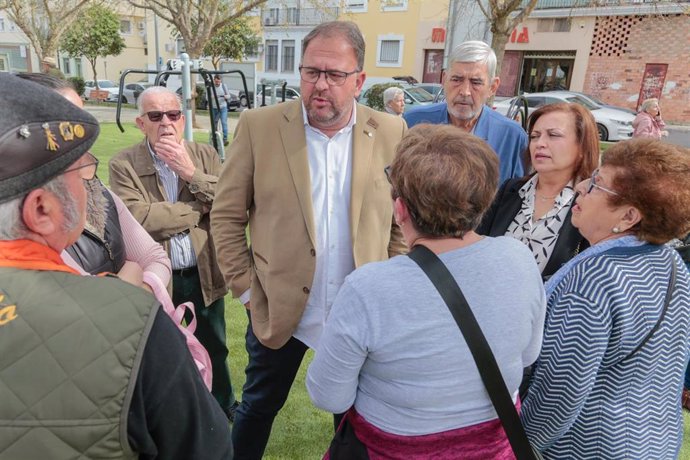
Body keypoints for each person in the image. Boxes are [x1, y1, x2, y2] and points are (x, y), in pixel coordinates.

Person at [0, 73, 232, 459]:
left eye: (174, 114)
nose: (91, 182)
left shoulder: (198, 155)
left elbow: (221, 206)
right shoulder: (132, 322)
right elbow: (208, 448)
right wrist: (122, 291)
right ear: (41, 209)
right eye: (81, 169)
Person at [210, 20, 407, 460]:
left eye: (334, 75)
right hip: (278, 308)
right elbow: (225, 215)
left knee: (356, 421)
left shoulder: (391, 131)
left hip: (360, 313)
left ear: (359, 80)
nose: (321, 85)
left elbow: (400, 222)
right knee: (258, 407)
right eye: (311, 72)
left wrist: (391, 281)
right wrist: (245, 290)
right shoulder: (260, 126)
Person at [306, 124, 545, 458]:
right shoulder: (518, 258)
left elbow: (329, 395)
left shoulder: (369, 287)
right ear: (484, 199)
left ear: (400, 208)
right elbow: (528, 355)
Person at [521, 139, 690, 459]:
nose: (581, 187)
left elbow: (559, 393)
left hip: (590, 446)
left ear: (628, 216)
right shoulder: (671, 263)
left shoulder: (593, 279)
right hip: (655, 443)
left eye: (598, 184)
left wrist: (517, 443)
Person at [108, 86, 237, 419]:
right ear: (141, 123)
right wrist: (198, 206)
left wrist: (189, 173)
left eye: (173, 114)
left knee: (215, 347)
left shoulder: (205, 155)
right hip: (157, 281)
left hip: (203, 273)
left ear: (183, 118)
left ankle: (222, 408)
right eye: (155, 116)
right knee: (162, 353)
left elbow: (229, 204)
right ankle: (176, 418)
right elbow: (141, 220)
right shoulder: (124, 164)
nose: (165, 122)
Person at [15, 72, 171, 292]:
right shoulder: (22, 218)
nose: (83, 133)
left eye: (84, 121)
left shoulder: (96, 188)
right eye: (68, 126)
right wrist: (134, 273)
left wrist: (132, 286)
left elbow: (155, 257)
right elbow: (87, 299)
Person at [478, 103, 598, 280]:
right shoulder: (510, 190)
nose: (540, 144)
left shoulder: (590, 202)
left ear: (581, 146)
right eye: (534, 136)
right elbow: (479, 246)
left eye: (553, 135)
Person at [404, 40, 526, 183]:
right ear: (444, 79)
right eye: (456, 79)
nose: (465, 91)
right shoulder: (412, 122)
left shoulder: (511, 137)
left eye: (476, 82)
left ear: (492, 87)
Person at [212, 74, 230, 146]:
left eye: (218, 81)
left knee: (223, 122)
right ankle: (215, 138)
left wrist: (225, 96)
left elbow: (228, 96)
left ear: (220, 81)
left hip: (223, 107)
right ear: (214, 81)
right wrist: (212, 97)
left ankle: (225, 139)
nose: (217, 83)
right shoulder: (211, 87)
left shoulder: (223, 86)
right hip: (214, 108)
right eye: (216, 81)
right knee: (214, 123)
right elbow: (207, 97)